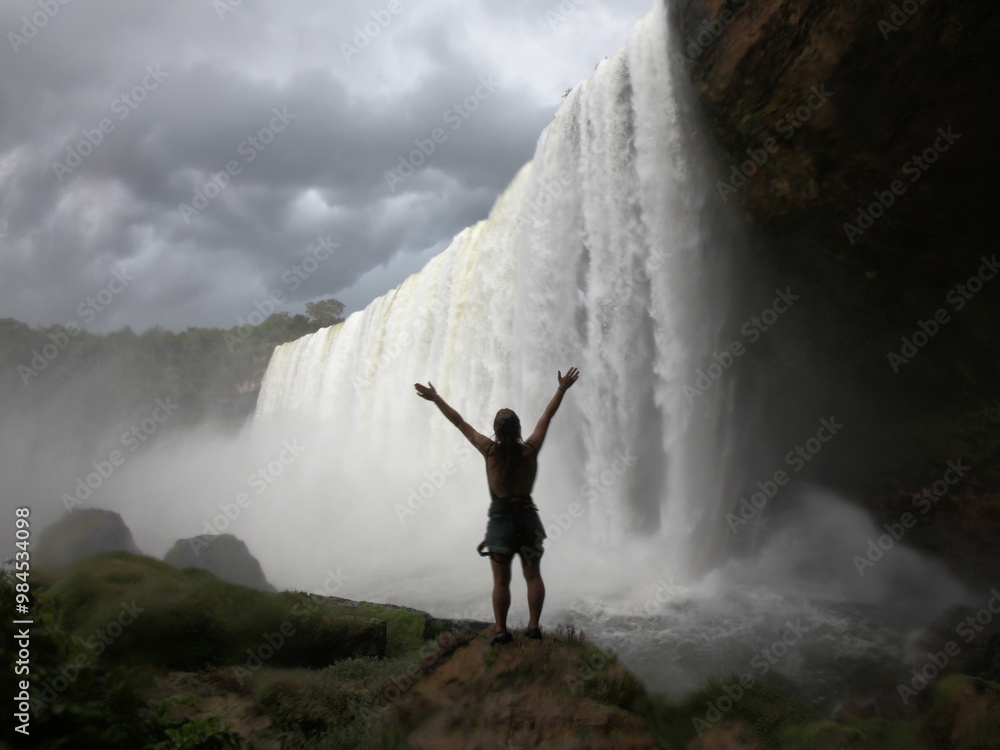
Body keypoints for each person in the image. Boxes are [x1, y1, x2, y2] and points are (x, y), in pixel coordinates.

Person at [414, 367, 580, 645]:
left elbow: (459, 421)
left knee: (501, 580)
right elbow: (546, 416)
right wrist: (561, 388)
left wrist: (436, 398)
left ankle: (501, 631)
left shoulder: (488, 449)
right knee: (532, 574)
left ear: (495, 430)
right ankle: (533, 627)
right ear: (518, 429)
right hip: (527, 516)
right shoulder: (530, 449)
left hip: (502, 519)